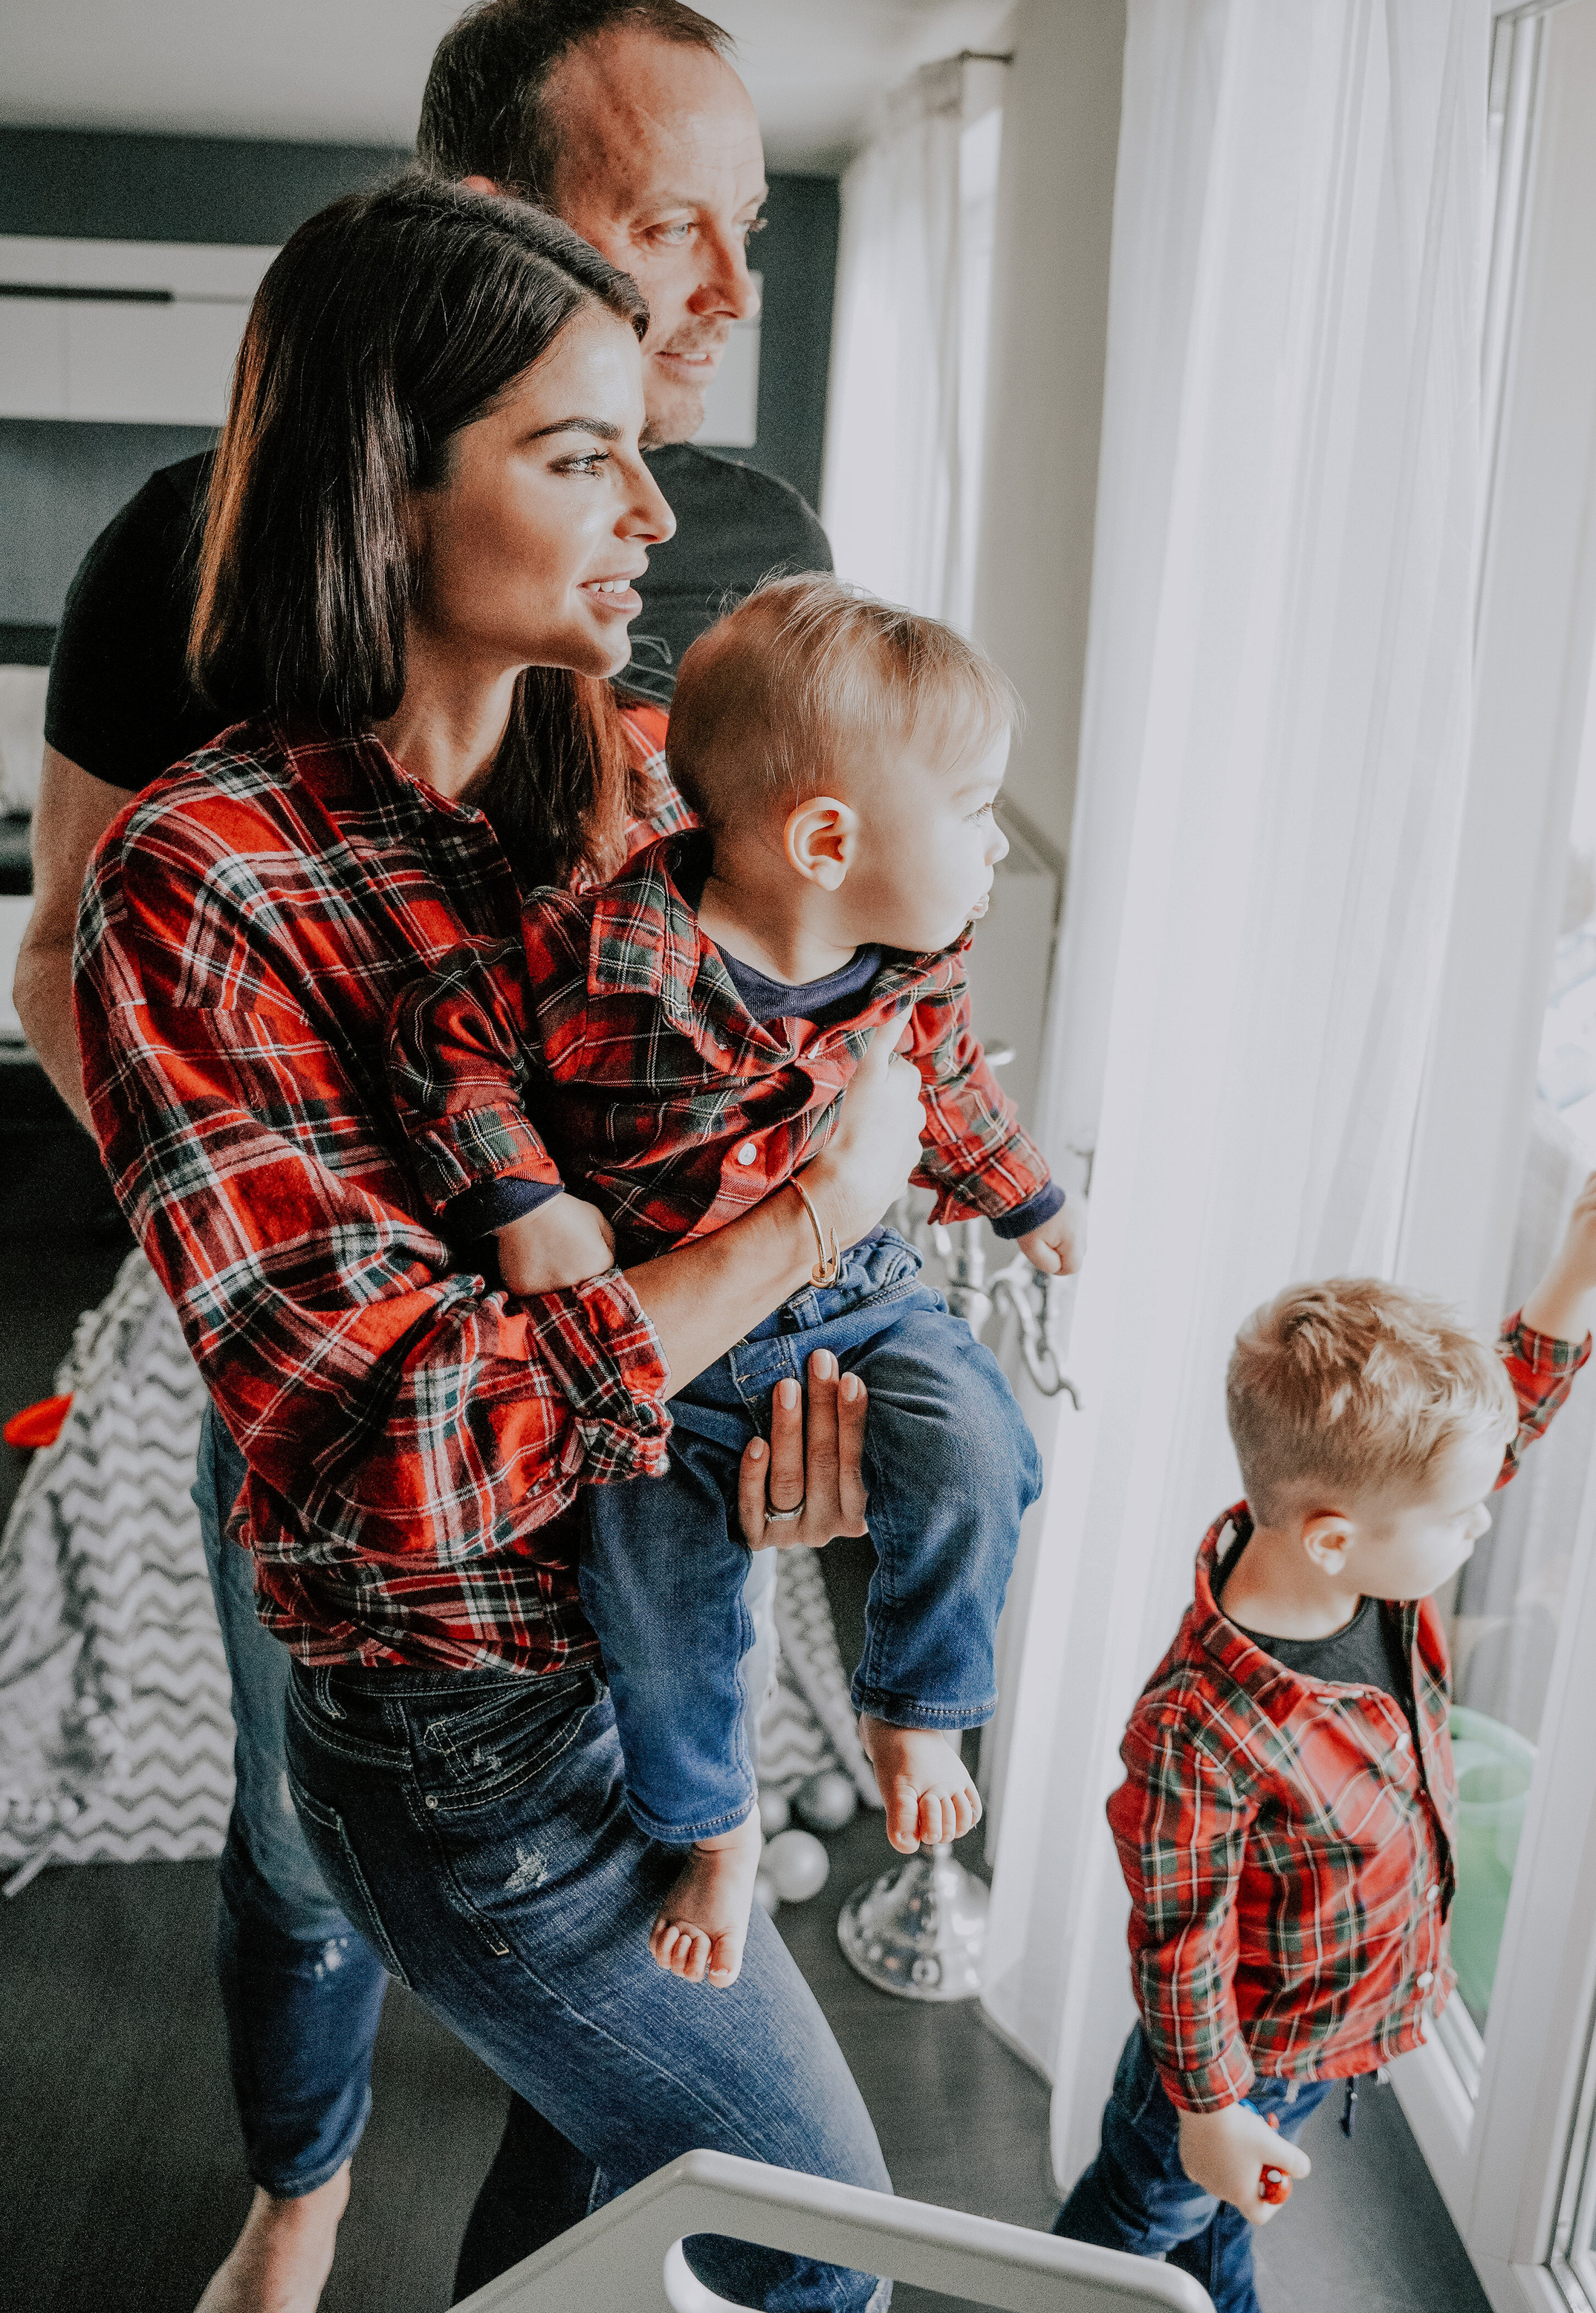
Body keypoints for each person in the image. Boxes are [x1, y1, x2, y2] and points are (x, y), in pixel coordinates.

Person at [14, 0, 830, 2313]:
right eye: (671, 220)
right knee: (299, 1824)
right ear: (483, 222)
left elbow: (801, 938)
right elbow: (79, 942)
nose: (723, 291)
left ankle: (576, 2255)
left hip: (665, 1339)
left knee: (658, 1850)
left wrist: (804, 1318)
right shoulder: (203, 546)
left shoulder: (745, 534)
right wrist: (267, 1232)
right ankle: (297, 2186)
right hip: (324, 1323)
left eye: (750, 224)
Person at [383, 577, 1085, 1982]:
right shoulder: (602, 956)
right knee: (660, 1604)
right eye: (975, 811)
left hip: (863, 1299)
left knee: (985, 1446)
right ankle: (713, 1825)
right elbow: (448, 1039)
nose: (994, 847)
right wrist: (521, 1195)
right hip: (670, 1334)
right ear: (828, 838)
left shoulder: (914, 961)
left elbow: (943, 1087)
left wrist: (1025, 1201)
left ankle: (920, 1702)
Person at [1046, 1172, 1596, 2313]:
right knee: (1140, 2219)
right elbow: (1180, 1942)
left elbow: (1480, 1446)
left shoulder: (1362, 1563)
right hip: (1240, 2052)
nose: (1482, 1524)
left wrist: (1569, 1281)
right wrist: (1215, 2108)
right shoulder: (1202, 1726)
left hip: (1320, 2037)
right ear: (1333, 1535)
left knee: (1221, 2217)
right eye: (1464, 1516)